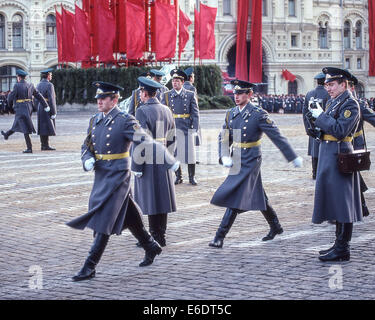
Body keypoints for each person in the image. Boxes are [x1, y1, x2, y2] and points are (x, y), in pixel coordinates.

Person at [66, 81, 178, 281]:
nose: (99, 102)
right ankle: (151, 246)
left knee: (104, 219)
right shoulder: (95, 120)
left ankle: (89, 266)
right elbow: (86, 146)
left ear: (114, 99)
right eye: (98, 98)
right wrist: (87, 159)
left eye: (103, 98)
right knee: (131, 216)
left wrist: (168, 160)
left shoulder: (125, 120)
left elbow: (145, 142)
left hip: (118, 176)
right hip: (101, 176)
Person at [208, 79, 303, 248]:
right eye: (235, 93)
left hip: (252, 159)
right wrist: (224, 156)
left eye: (241, 93)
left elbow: (276, 136)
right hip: (236, 159)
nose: (236, 96)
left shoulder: (259, 114)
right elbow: (224, 137)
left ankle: (219, 236)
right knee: (259, 195)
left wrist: (292, 156)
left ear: (249, 94)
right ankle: (276, 226)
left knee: (236, 196)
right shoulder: (231, 113)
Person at [308, 67, 362, 262]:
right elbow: (327, 127)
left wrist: (321, 116)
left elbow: (340, 130)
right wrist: (316, 125)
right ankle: (338, 243)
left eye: (331, 84)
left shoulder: (350, 104)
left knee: (343, 204)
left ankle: (342, 248)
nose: (328, 88)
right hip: (329, 155)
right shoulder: (334, 101)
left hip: (340, 157)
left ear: (343, 84)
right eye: (326, 85)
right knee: (335, 201)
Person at [132, 77, 178, 247]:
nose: (140, 95)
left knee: (151, 198)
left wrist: (136, 165)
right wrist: (171, 157)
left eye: (141, 92)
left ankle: (153, 237)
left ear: (144, 93)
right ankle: (161, 235)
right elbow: (173, 136)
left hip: (148, 159)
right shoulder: (167, 109)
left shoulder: (142, 111)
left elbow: (140, 140)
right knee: (162, 197)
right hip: (164, 156)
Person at [161, 69, 200, 185]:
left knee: (190, 154)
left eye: (177, 81)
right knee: (174, 153)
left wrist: (194, 129)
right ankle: (179, 176)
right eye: (173, 81)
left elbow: (195, 113)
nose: (175, 83)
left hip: (186, 126)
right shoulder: (166, 96)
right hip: (172, 127)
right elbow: (163, 113)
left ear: (183, 82)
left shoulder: (189, 94)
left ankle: (192, 177)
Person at [1, 69, 49, 153]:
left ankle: (29, 148)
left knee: (24, 127)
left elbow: (10, 98)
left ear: (19, 77)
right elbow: (39, 96)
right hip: (28, 107)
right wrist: (46, 105)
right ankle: (7, 134)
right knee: (18, 123)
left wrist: (9, 107)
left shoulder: (17, 85)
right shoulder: (31, 85)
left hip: (20, 108)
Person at [348, 73, 375, 218]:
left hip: (353, 145)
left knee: (351, 174)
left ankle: (361, 207)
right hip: (337, 146)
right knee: (350, 175)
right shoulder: (333, 102)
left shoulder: (359, 104)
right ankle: (361, 207)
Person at [302, 72, 330, 179]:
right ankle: (322, 173)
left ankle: (314, 172)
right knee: (324, 151)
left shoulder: (309, 94)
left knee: (315, 150)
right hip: (324, 126)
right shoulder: (328, 94)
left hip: (312, 126)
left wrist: (308, 127)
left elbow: (304, 113)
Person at [36, 68, 57, 151]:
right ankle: (46, 145)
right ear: (48, 76)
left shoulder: (38, 84)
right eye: (50, 75)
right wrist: (53, 111)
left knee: (42, 126)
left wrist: (37, 106)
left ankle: (43, 145)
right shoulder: (49, 85)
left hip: (40, 107)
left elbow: (36, 98)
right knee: (47, 126)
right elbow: (51, 99)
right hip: (47, 106)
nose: (51, 76)